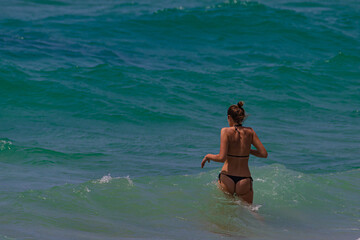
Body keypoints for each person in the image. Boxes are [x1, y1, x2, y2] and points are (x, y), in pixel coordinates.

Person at [201, 101, 267, 204]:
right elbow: (264, 154)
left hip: (227, 178)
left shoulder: (225, 131)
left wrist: (208, 156)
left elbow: (221, 158)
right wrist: (248, 151)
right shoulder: (250, 131)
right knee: (252, 212)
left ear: (229, 117)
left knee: (224, 212)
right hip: (244, 180)